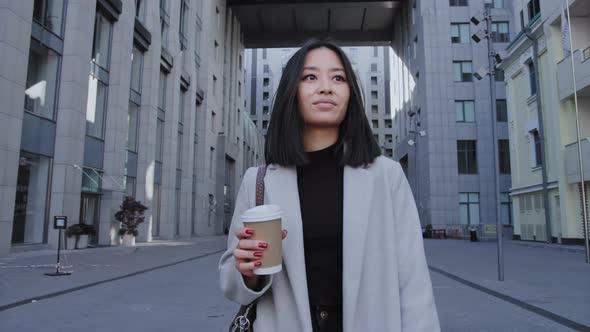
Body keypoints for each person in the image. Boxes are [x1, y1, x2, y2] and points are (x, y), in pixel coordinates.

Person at [219, 38, 440, 332]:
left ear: (350, 94)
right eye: (310, 77)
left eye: (338, 77)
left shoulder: (386, 176)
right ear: (291, 92)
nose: (326, 87)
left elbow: (414, 283)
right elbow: (233, 285)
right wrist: (248, 273)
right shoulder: (258, 181)